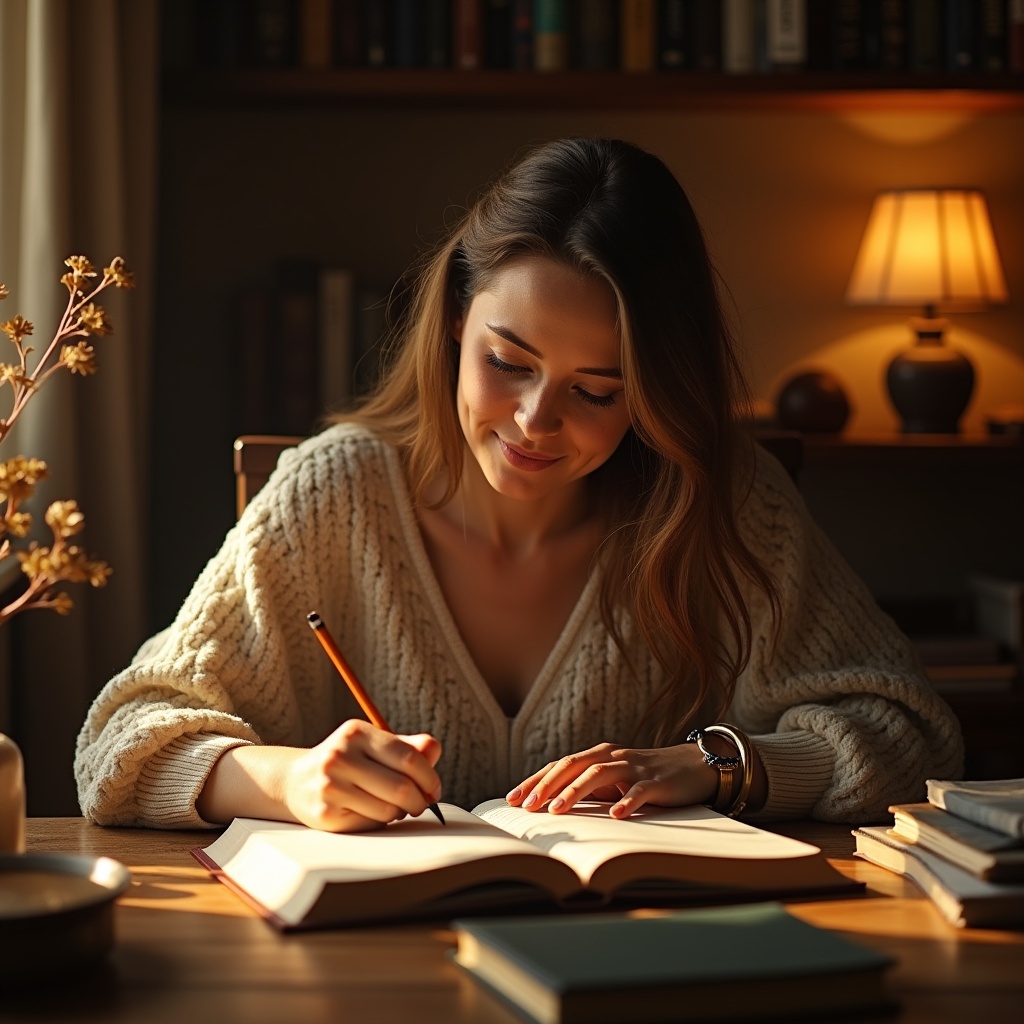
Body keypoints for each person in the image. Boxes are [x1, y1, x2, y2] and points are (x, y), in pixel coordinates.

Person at [75, 137, 962, 834]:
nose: (537, 421)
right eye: (508, 361)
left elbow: (914, 738)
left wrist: (716, 765)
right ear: (458, 319)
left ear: (653, 390)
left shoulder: (724, 506)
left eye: (596, 391)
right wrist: (290, 779)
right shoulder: (333, 495)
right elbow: (119, 744)